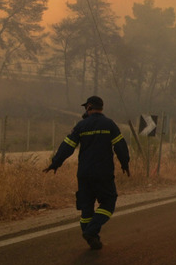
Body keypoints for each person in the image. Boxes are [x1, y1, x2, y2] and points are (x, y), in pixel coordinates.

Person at [43, 96, 131, 250]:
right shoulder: (109, 124)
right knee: (109, 202)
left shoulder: (81, 126)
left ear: (90, 107)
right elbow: (120, 147)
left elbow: (67, 146)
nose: (85, 111)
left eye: (86, 108)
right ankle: (91, 232)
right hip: (103, 173)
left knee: (86, 208)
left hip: (84, 174)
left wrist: (55, 163)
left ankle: (92, 237)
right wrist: (125, 164)